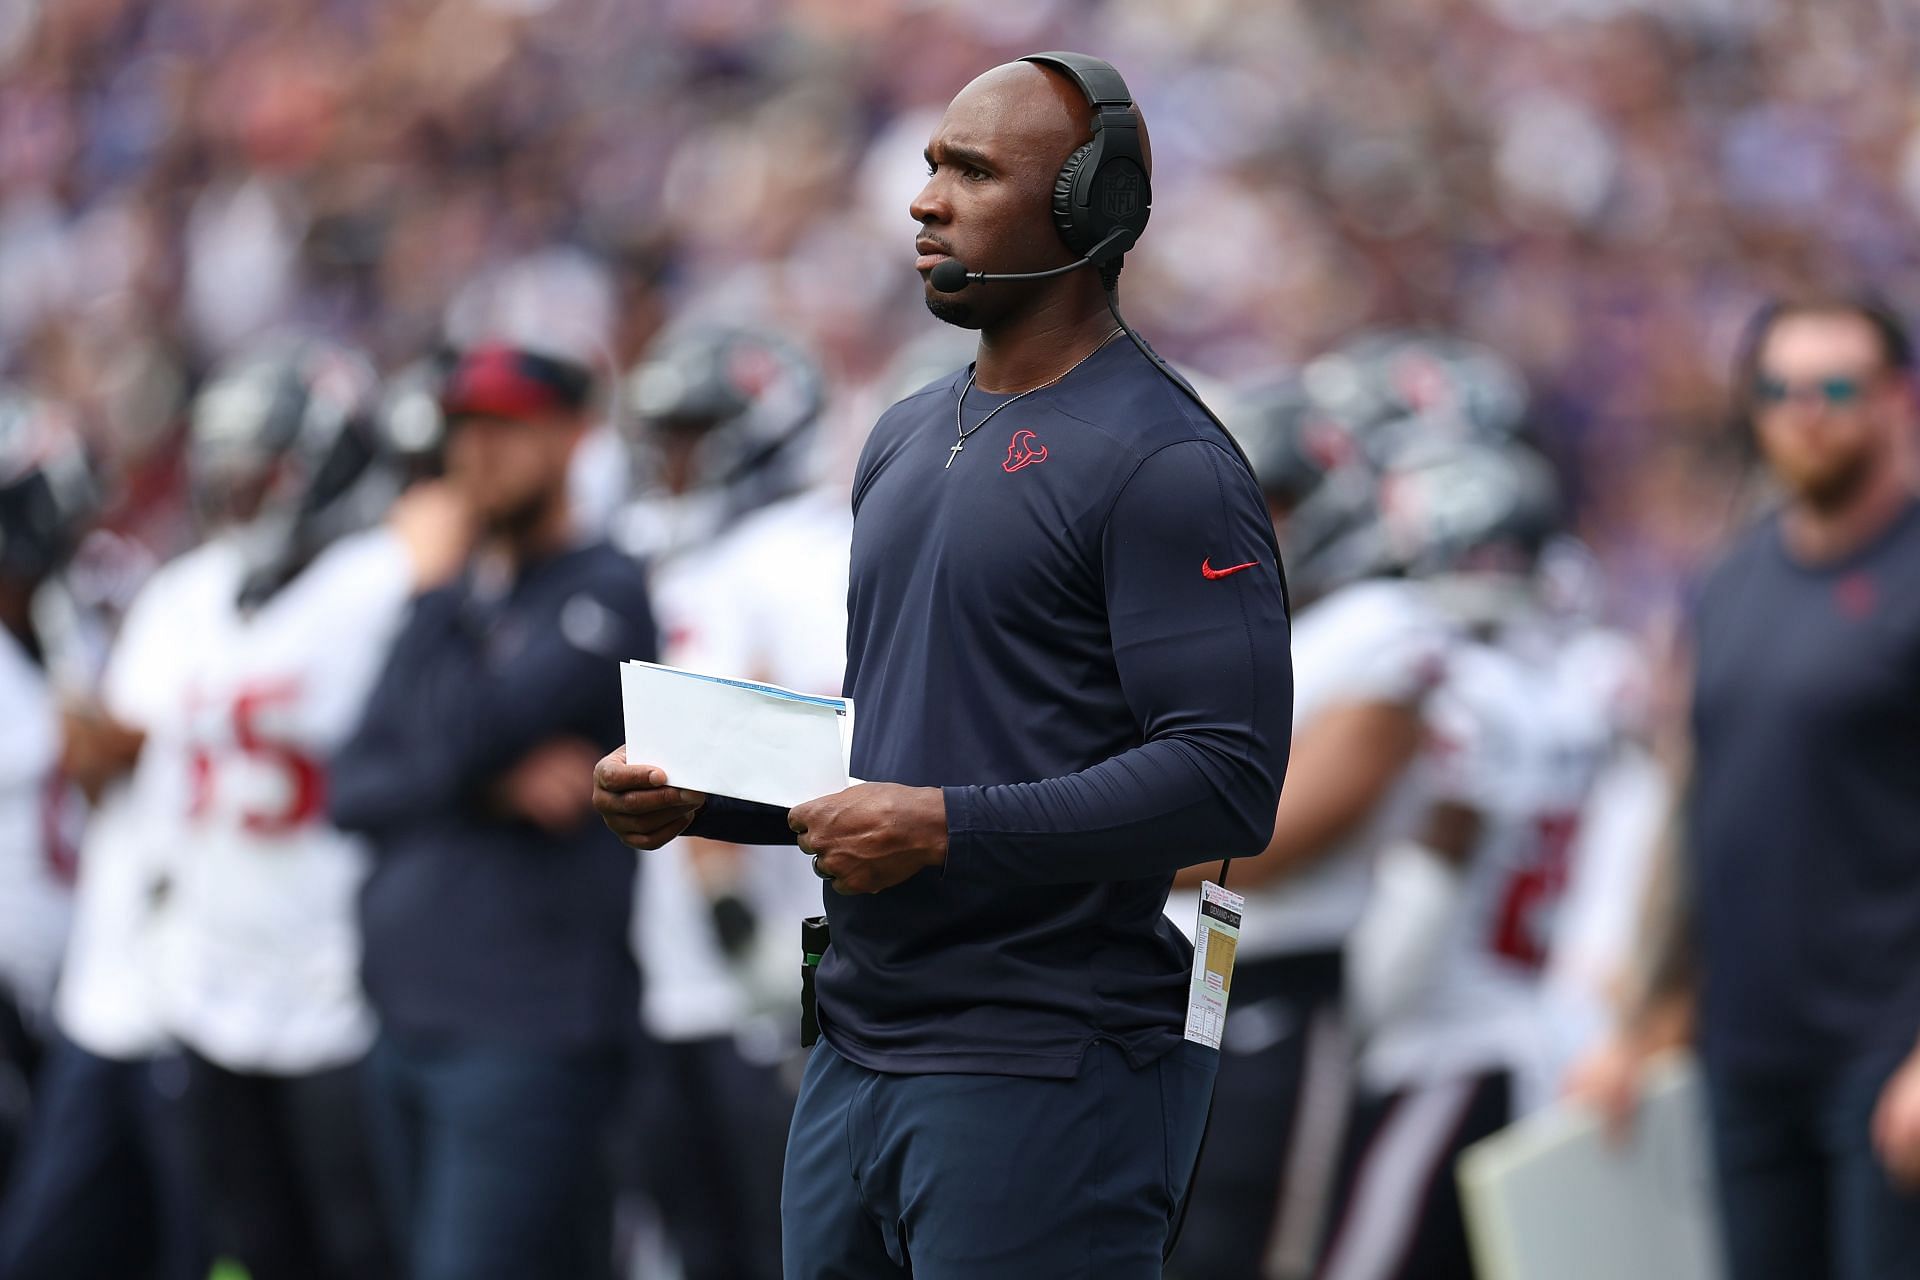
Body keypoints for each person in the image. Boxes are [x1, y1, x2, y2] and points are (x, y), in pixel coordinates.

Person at [595, 53, 1292, 1278]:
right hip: (858, 1040)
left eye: (971, 170)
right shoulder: (907, 434)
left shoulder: (1166, 459)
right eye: (929, 165)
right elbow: (908, 754)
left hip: (1042, 1060)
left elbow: (1227, 781)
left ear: (1086, 209)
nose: (925, 200)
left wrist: (948, 824)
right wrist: (714, 796)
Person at [1567, 295, 1920, 1280]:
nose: (1805, 411)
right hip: (1751, 1055)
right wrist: (1645, 1021)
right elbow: (1704, 812)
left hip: (1887, 1055)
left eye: (1836, 387)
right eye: (1778, 389)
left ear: (1900, 400)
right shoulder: (1732, 583)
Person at [331, 343, 656, 1280]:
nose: (475, 453)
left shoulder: (602, 591)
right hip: (406, 1021)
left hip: (530, 1028)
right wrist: (490, 783)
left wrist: (432, 591)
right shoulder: (468, 603)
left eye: (506, 429)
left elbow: (454, 737)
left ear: (570, 437)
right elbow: (356, 782)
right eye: (464, 429)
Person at [145, 341, 435, 1280]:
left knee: (359, 1244)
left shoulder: (382, 582)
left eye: (261, 469)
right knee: (246, 1243)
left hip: (334, 985)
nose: (238, 493)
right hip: (211, 971)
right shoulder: (190, 593)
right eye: (225, 470)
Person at [1317, 440, 1630, 1280]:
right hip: (1519, 1031)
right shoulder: (1563, 685)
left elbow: (1435, 868)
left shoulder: (1463, 690)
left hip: (1441, 1039)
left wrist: (1358, 1018)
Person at [1164, 383, 1449, 1280]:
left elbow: (1261, 836)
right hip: (1153, 979)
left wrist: (1072, 831)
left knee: (1246, 1246)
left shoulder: (1378, 631)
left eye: (1269, 501)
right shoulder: (1187, 625)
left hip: (1270, 983)